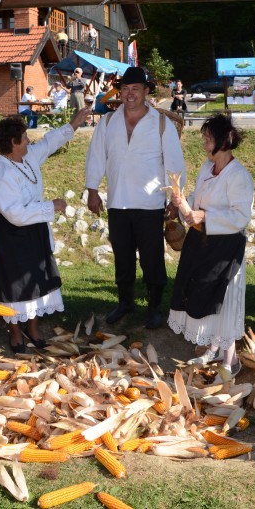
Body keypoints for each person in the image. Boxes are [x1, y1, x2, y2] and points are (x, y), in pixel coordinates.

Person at [85, 67, 186, 329]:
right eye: (125, 89)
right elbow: (96, 156)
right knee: (123, 256)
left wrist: (175, 199)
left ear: (146, 91)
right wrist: (93, 189)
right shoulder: (108, 122)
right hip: (118, 201)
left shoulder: (161, 123)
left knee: (152, 258)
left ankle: (154, 308)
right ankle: (125, 302)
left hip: (151, 204)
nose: (129, 95)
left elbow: (174, 164)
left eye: (135, 89)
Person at [0, 107, 91, 353]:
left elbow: (49, 143)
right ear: (14, 144)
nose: (29, 140)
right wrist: (50, 206)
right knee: (15, 284)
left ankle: (33, 328)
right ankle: (15, 331)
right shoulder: (1, 171)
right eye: (24, 138)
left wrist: (74, 123)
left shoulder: (27, 156)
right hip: (11, 235)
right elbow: (13, 213)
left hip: (34, 230)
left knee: (37, 281)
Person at [167, 115, 254, 374]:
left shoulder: (239, 176)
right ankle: (214, 348)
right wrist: (182, 203)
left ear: (224, 141)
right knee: (203, 294)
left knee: (223, 299)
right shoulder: (208, 167)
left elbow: (241, 217)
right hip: (202, 242)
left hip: (225, 248)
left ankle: (231, 359)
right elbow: (198, 196)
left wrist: (205, 216)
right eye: (204, 139)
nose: (204, 145)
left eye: (208, 139)